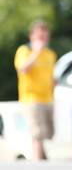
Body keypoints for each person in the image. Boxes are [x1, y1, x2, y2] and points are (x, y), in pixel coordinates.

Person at [14, 20, 57, 161]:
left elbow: (51, 77)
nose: (43, 40)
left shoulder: (50, 54)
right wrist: (36, 53)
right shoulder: (25, 51)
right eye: (40, 37)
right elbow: (23, 69)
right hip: (31, 99)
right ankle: (38, 163)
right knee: (37, 133)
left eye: (45, 37)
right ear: (31, 36)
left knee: (48, 134)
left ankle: (42, 159)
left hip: (48, 99)